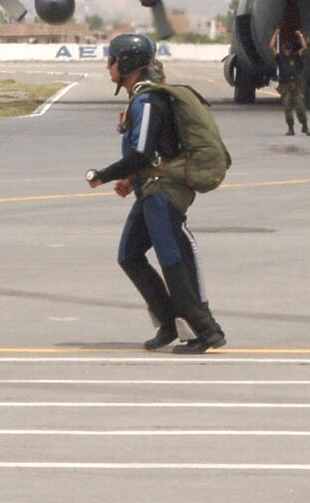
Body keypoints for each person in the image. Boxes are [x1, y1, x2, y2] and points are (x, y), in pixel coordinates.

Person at [85, 32, 226, 353]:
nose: (108, 68)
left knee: (173, 257)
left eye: (112, 61)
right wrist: (131, 179)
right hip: (148, 188)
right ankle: (168, 321)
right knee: (129, 255)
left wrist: (103, 175)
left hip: (162, 193)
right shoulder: (141, 99)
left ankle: (206, 331)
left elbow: (143, 154)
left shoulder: (147, 101)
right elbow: (151, 153)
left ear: (126, 64)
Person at [270, 28, 310, 136]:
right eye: (286, 49)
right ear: (283, 50)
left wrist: (301, 36)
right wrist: (275, 34)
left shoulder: (295, 57)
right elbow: (271, 47)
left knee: (300, 107)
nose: (287, 51)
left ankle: (305, 126)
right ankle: (290, 128)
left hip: (295, 85)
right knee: (287, 107)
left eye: (289, 49)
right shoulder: (280, 58)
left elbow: (304, 47)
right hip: (285, 86)